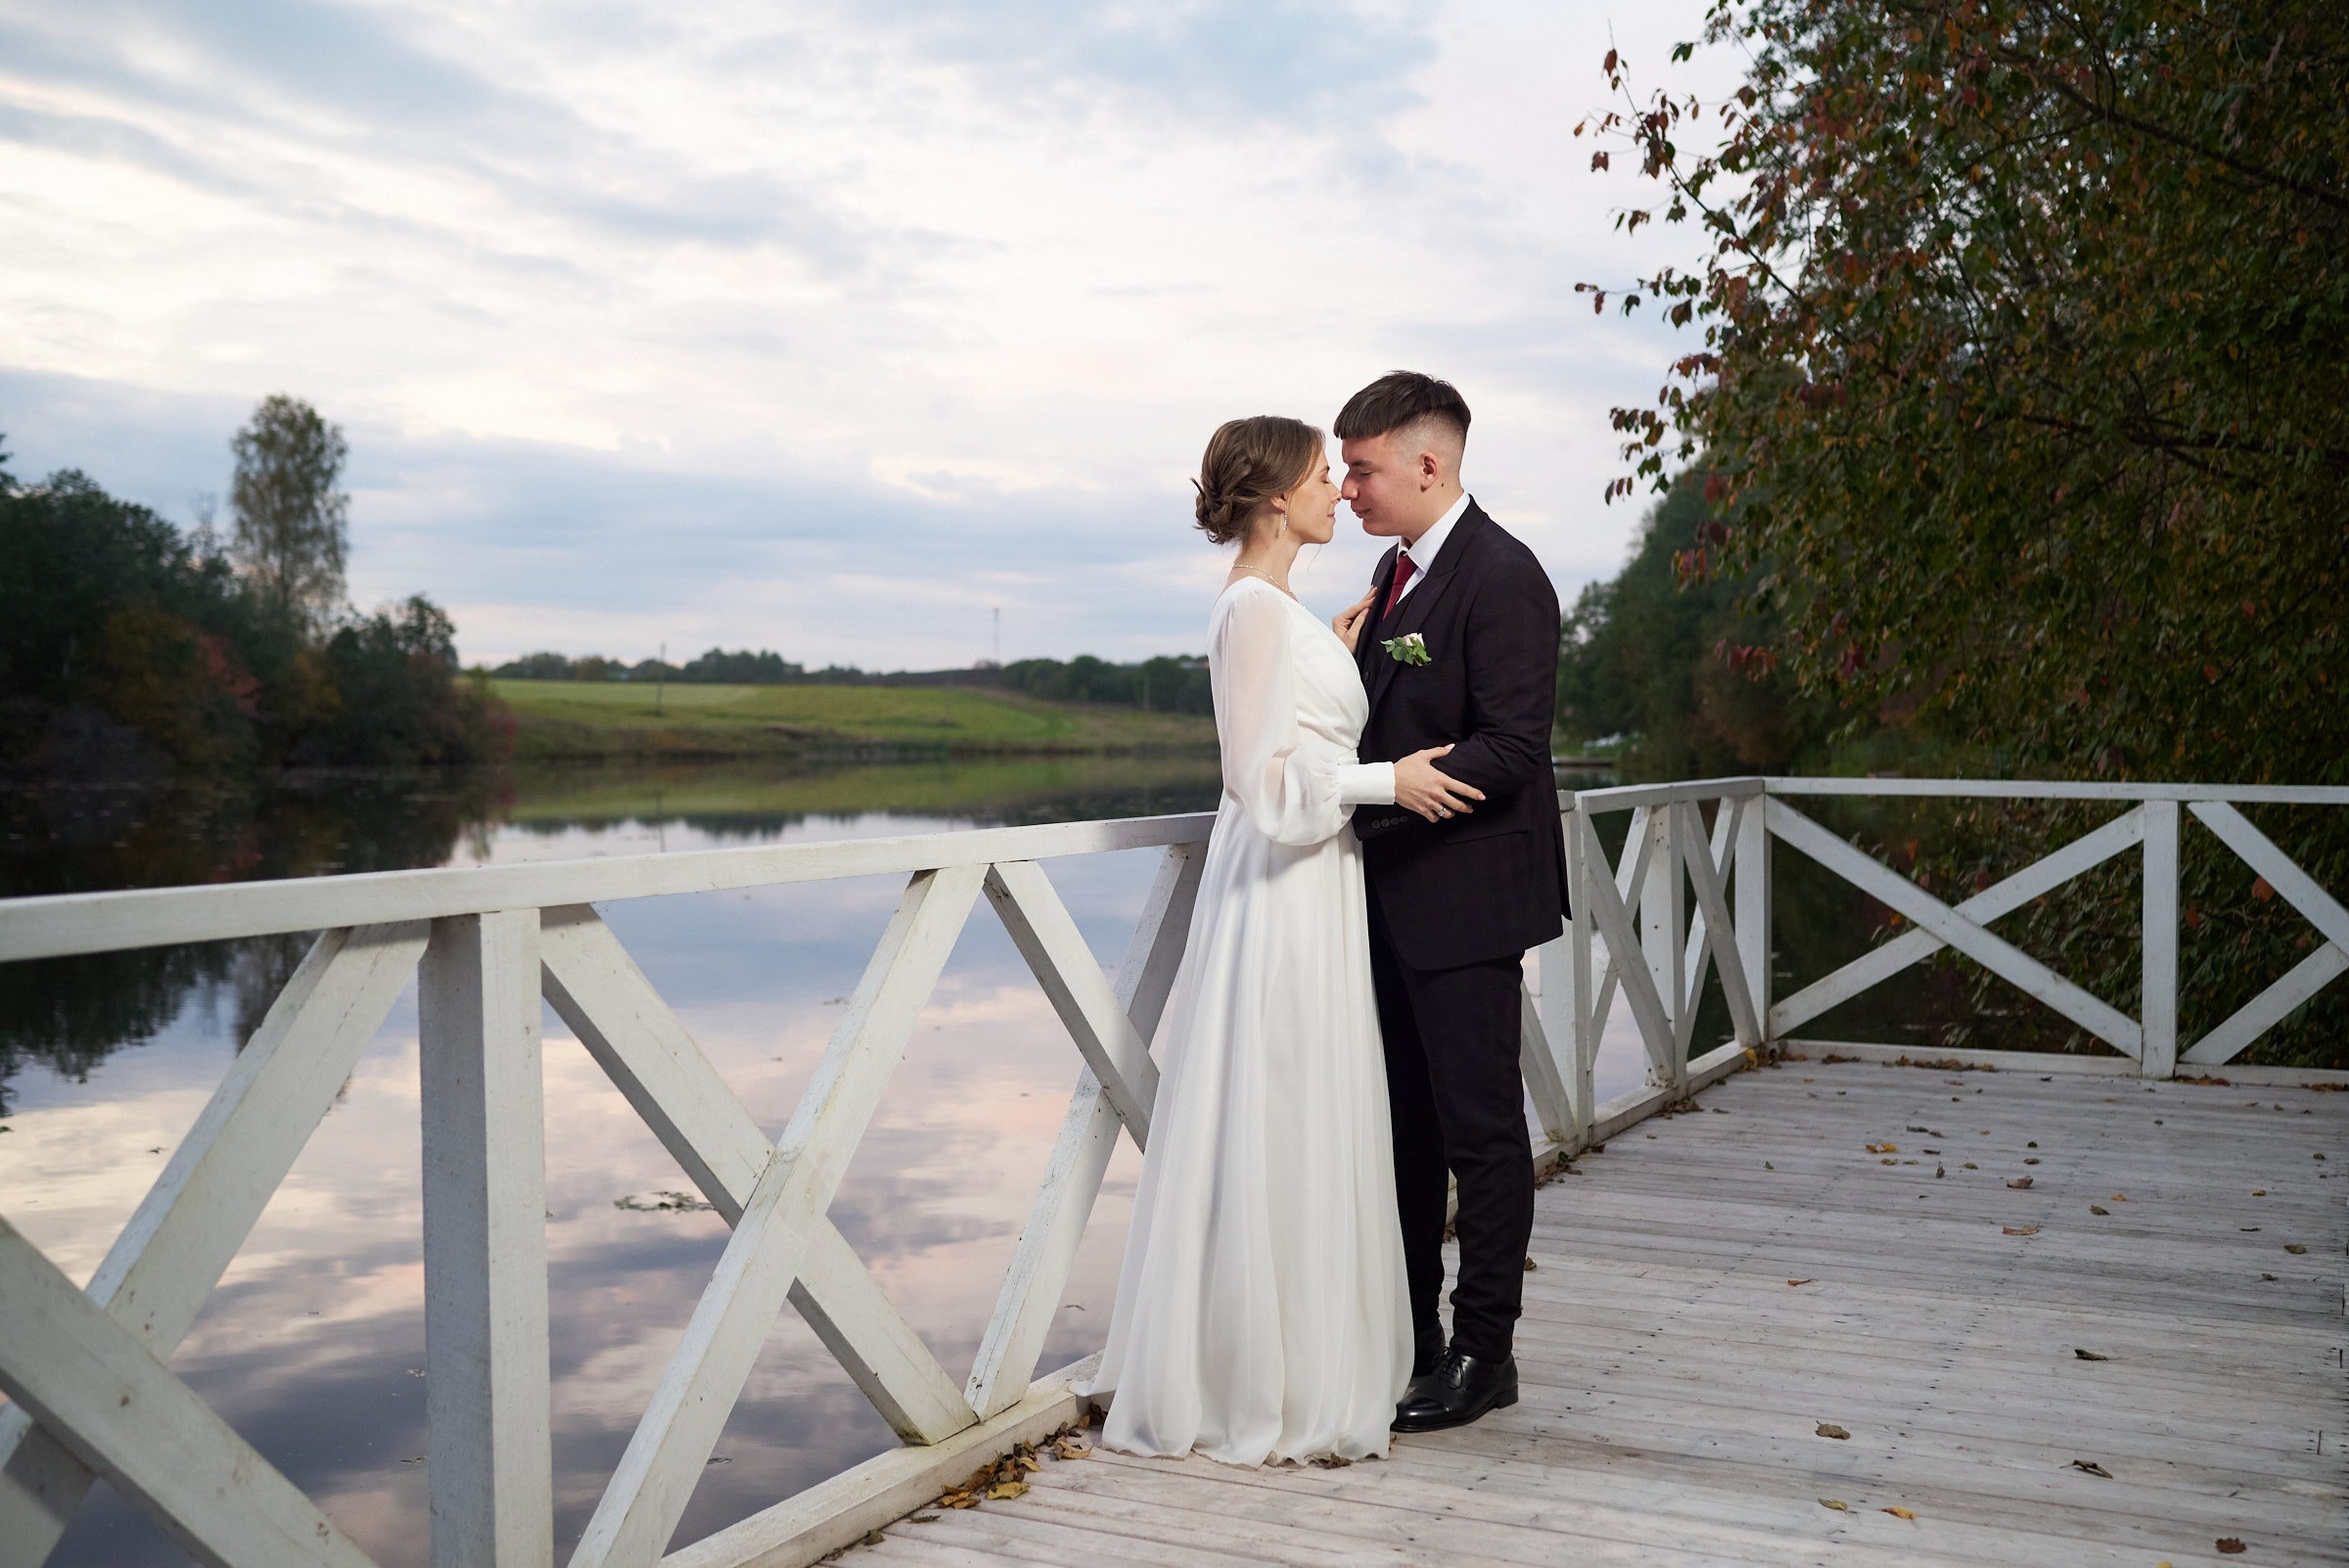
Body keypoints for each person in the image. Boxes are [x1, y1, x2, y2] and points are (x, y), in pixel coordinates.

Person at [1089, 415, 1476, 1464]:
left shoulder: (1285, 610)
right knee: (1280, 1101)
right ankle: (1260, 1374)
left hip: (1318, 884)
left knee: (1310, 1104)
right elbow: (1259, 783)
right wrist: (1382, 781)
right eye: (1320, 475)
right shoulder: (1253, 611)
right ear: (1272, 500)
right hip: (1281, 890)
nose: (1336, 493)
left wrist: (1334, 652)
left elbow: (1291, 726)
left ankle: (1305, 1349)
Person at [1333, 371, 1570, 1434]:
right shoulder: (1391, 576)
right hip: (1383, 903)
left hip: (1466, 901)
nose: (1346, 489)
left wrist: (1378, 804)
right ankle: (1414, 1338)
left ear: (1430, 463)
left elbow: (1515, 748)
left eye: (1362, 466)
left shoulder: (1504, 575)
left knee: (1479, 1132)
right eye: (1342, 469)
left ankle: (1486, 1353)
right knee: (1401, 1130)